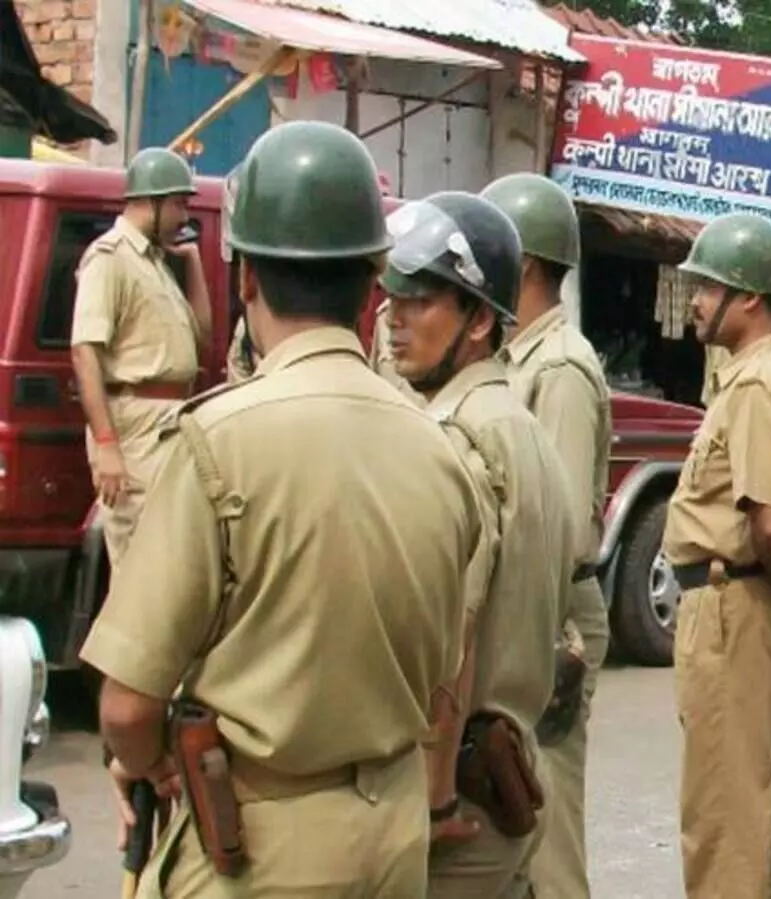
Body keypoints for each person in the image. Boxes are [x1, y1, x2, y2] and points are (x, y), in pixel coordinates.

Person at [81, 120, 488, 896]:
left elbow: (128, 707)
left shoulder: (216, 441)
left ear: (245, 279)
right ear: (375, 285)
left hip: (260, 847)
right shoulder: (441, 450)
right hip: (394, 840)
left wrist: (151, 761)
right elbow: (444, 675)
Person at [379, 190, 576, 898]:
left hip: (461, 797)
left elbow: (450, 642)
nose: (395, 317)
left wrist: (432, 798)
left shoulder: (459, 439)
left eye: (424, 298)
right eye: (393, 295)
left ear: (478, 322)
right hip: (510, 772)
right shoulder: (518, 427)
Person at [664, 211, 771, 899]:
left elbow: (769, 522)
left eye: (709, 287)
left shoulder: (762, 385)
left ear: (750, 299)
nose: (698, 300)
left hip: (735, 605)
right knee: (760, 809)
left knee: (726, 819)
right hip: (750, 604)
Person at [481, 173, 611, 899]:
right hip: (530, 611)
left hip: (555, 612)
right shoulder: (519, 354)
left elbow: (556, 525)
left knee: (550, 827)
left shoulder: (557, 367)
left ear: (522, 263)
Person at [69, 146, 212, 566]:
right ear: (151, 202)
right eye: (178, 204)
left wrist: (195, 266)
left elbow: (202, 336)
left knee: (165, 557)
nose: (184, 216)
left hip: (168, 419)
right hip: (134, 425)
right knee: (138, 562)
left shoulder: (153, 262)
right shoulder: (110, 258)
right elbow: (84, 352)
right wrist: (107, 444)